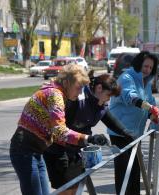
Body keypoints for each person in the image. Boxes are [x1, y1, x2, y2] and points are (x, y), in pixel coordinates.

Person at [9, 65, 109, 195]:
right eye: (78, 88)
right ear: (67, 83)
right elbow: (60, 131)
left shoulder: (57, 91)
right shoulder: (55, 95)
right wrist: (88, 138)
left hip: (37, 151)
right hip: (24, 151)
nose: (80, 93)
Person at [43, 70, 133, 195]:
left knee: (76, 186)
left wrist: (126, 132)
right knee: (66, 188)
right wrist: (89, 138)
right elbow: (59, 128)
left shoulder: (99, 103)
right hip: (58, 149)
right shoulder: (76, 99)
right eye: (108, 95)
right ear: (99, 88)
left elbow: (109, 119)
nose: (108, 100)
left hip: (77, 149)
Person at [107, 51, 159, 195]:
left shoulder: (147, 82)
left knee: (135, 170)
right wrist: (149, 107)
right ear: (138, 64)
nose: (148, 70)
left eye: (151, 68)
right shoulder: (127, 78)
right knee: (124, 171)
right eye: (145, 66)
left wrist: (155, 116)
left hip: (136, 133)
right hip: (119, 131)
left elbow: (151, 103)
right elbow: (130, 97)